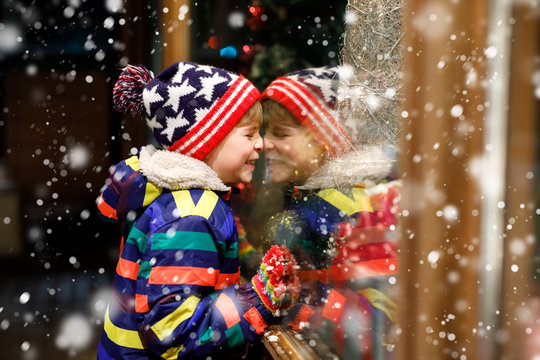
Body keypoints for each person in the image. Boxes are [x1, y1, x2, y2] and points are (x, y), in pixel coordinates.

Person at [96, 61, 299, 359]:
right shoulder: (193, 214)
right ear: (207, 142)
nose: (261, 144)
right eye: (249, 134)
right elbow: (172, 333)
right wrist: (256, 299)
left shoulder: (173, 196)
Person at [259, 66, 401, 358]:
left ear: (324, 137)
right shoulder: (310, 197)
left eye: (281, 133)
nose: (264, 144)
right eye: (263, 131)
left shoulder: (354, 210)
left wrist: (305, 299)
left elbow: (380, 329)